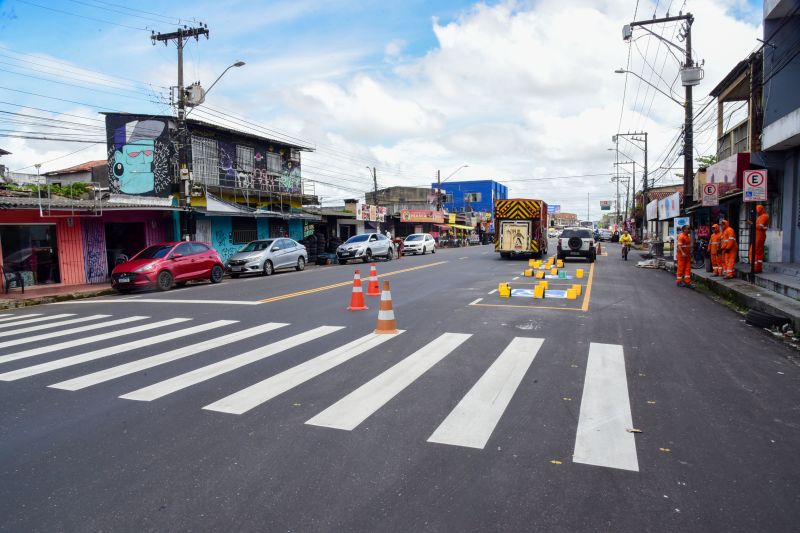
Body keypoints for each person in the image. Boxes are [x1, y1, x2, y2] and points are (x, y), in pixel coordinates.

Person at [748, 204, 769, 273]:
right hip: (759, 235)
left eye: (757, 210)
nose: (757, 212)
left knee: (753, 251)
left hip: (759, 236)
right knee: (759, 253)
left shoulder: (763, 216)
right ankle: (758, 268)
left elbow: (760, 227)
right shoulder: (761, 216)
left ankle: (754, 268)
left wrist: (752, 223)